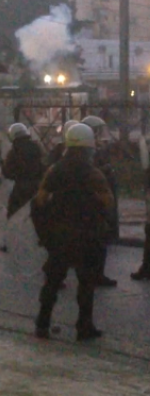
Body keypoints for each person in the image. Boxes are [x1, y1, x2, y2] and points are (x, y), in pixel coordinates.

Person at [31, 123, 115, 341]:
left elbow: (39, 201)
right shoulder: (94, 174)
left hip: (59, 235)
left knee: (52, 282)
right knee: (86, 284)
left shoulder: (55, 170)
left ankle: (42, 323)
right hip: (86, 235)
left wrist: (45, 233)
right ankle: (84, 327)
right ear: (89, 148)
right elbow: (108, 203)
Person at [81, 115, 118, 288]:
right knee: (96, 240)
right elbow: (90, 172)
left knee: (99, 239)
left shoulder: (93, 148)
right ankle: (93, 275)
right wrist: (105, 169)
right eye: (96, 131)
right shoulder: (86, 151)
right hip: (94, 201)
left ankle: (95, 274)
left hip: (99, 198)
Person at [0, 122, 45, 252]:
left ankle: (9, 242)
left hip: (21, 187)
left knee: (13, 213)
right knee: (39, 213)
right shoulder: (37, 147)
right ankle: (42, 240)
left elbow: (7, 172)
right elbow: (45, 164)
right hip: (37, 186)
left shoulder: (14, 151)